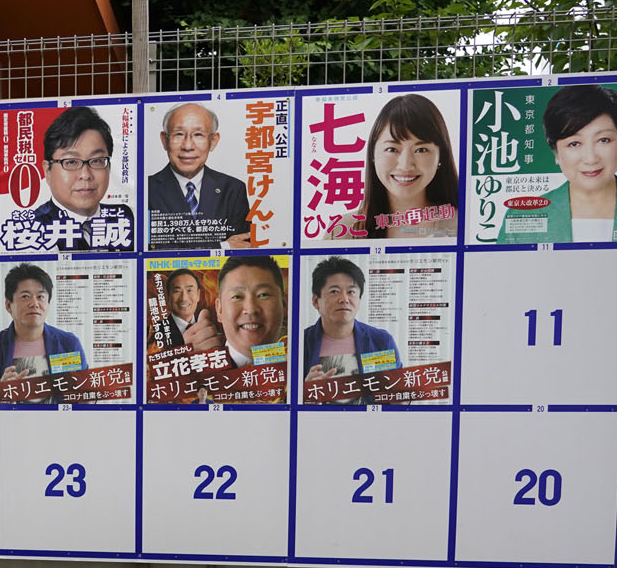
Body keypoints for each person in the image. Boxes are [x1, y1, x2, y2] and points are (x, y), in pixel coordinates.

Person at [498, 85, 617, 243]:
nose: (590, 158)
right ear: (556, 152)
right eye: (574, 143)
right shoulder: (520, 217)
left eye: (603, 140)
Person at [27, 106, 135, 251]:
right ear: (48, 171)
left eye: (96, 161)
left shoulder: (125, 218)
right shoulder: (32, 230)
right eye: (71, 162)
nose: (85, 174)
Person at [146, 102, 252, 248]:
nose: (188, 146)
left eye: (198, 135)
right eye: (179, 134)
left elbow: (241, 247)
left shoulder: (233, 189)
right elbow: (152, 248)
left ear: (213, 141)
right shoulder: (146, 190)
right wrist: (222, 246)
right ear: (164, 140)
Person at [301, 256, 401, 404]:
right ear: (316, 301)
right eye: (334, 291)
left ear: (359, 299)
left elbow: (400, 400)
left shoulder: (380, 341)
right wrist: (304, 394)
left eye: (351, 292)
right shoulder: (299, 343)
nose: (344, 299)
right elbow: (281, 402)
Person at [360, 93, 459, 240]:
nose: (405, 165)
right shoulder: (344, 231)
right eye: (392, 149)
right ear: (373, 154)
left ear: (441, 156)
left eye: (421, 150)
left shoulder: (462, 226)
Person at [0, 263, 87, 400]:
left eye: (40, 297)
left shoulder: (67, 344)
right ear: (9, 305)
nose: (34, 303)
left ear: (48, 304)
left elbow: (88, 401)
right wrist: (0, 393)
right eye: (25, 296)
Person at [183, 255, 287, 368]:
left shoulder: (302, 363)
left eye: (263, 295)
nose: (250, 309)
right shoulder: (188, 362)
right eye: (237, 297)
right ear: (219, 309)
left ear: (284, 304)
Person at [162, 268, 210, 347]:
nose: (184, 298)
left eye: (189, 290)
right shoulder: (154, 333)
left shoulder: (210, 326)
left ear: (198, 295)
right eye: (177, 291)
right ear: (168, 296)